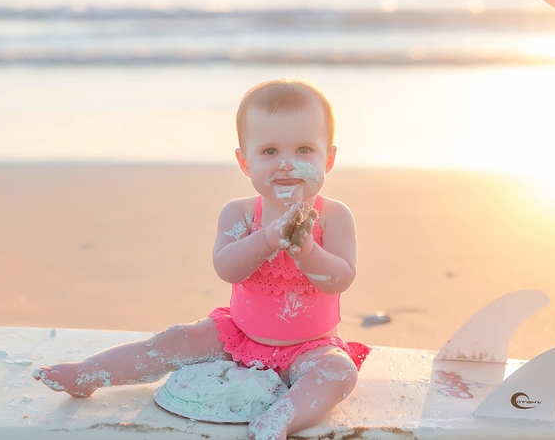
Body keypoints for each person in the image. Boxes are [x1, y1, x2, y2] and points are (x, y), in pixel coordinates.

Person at [33, 79, 370, 440]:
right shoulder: (239, 214)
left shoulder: (333, 216)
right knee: (175, 339)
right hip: (238, 336)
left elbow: (341, 277)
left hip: (311, 347)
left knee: (339, 373)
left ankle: (283, 417)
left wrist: (308, 253)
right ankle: (90, 373)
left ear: (329, 159)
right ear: (244, 161)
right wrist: (268, 238)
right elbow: (227, 267)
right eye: (269, 151)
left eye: (304, 149)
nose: (287, 164)